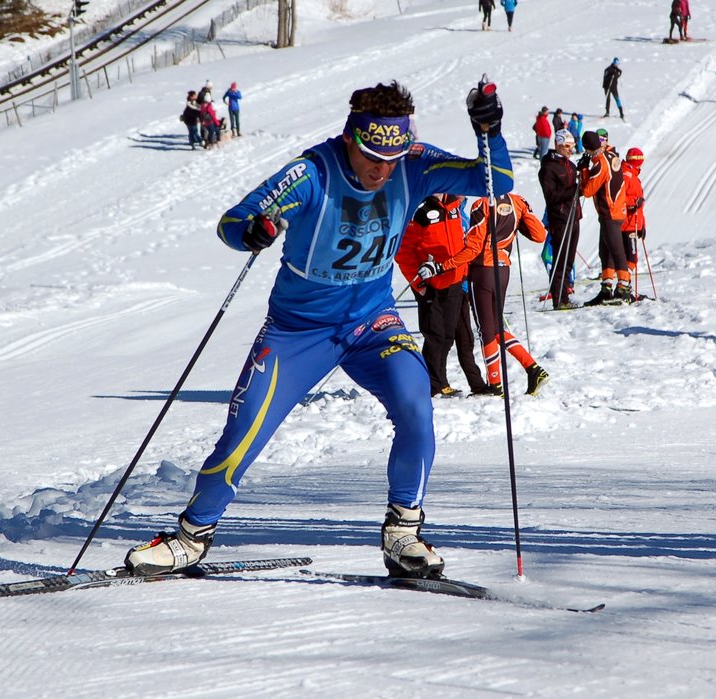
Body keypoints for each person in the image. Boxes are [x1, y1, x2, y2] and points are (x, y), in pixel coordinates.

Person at [124, 79, 512, 580]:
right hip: (297, 332)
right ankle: (190, 536)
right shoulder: (311, 174)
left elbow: (495, 181)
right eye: (371, 156)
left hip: (371, 324)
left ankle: (403, 532)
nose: (381, 170)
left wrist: (489, 131)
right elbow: (232, 222)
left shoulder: (412, 165)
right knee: (244, 433)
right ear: (351, 138)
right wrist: (252, 230)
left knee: (416, 402)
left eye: (391, 158)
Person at [423, 193, 550, 396]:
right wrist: (519, 220)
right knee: (496, 327)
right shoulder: (518, 201)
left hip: (482, 272)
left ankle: (496, 384)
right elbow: (540, 235)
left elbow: (473, 248)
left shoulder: (481, 204)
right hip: (503, 271)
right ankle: (532, 369)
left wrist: (443, 266)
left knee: (487, 331)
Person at [395, 194, 489, 397]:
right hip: (431, 284)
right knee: (436, 336)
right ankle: (432, 385)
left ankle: (440, 383)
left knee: (451, 336)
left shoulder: (455, 206)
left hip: (455, 281)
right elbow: (402, 251)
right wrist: (418, 282)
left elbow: (459, 243)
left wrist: (464, 273)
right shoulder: (419, 211)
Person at [578, 130, 630, 305]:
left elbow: (587, 190)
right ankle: (606, 287)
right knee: (605, 250)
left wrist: (583, 170)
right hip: (614, 209)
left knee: (615, 249)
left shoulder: (600, 165)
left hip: (610, 211)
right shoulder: (610, 155)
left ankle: (623, 287)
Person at [538, 129, 583, 309]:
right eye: (567, 146)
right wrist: (574, 190)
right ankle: (559, 299)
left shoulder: (570, 165)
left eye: (572, 146)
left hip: (574, 217)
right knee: (560, 259)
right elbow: (551, 196)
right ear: (558, 144)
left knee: (569, 260)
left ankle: (565, 296)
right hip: (560, 218)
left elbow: (577, 188)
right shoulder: (548, 167)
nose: (571, 149)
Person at [621, 147, 646, 300]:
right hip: (627, 223)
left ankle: (625, 286)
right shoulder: (627, 175)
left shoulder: (633, 174)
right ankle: (623, 286)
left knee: (630, 258)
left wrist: (643, 225)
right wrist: (633, 202)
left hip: (634, 222)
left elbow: (640, 204)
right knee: (631, 258)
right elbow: (619, 197)